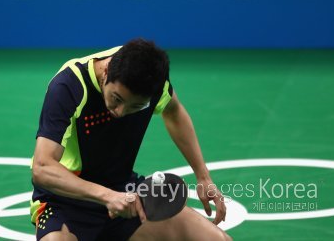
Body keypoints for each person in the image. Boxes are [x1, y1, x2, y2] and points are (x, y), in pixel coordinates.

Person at [30, 38, 231, 240]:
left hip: (126, 195)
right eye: (117, 98)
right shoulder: (69, 85)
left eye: (135, 107)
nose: (119, 112)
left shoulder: (153, 81)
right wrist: (107, 196)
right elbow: (42, 168)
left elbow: (174, 112)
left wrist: (203, 176)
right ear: (107, 71)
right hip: (65, 201)